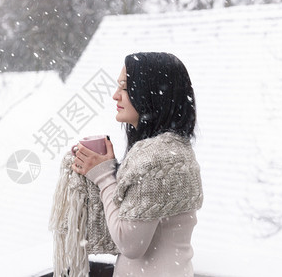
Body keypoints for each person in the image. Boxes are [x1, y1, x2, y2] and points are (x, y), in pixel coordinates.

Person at [71, 52, 203, 277]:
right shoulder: (174, 150)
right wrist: (109, 167)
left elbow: (130, 244)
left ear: (150, 94)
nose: (115, 96)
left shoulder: (156, 158)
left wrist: (103, 176)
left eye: (124, 88)